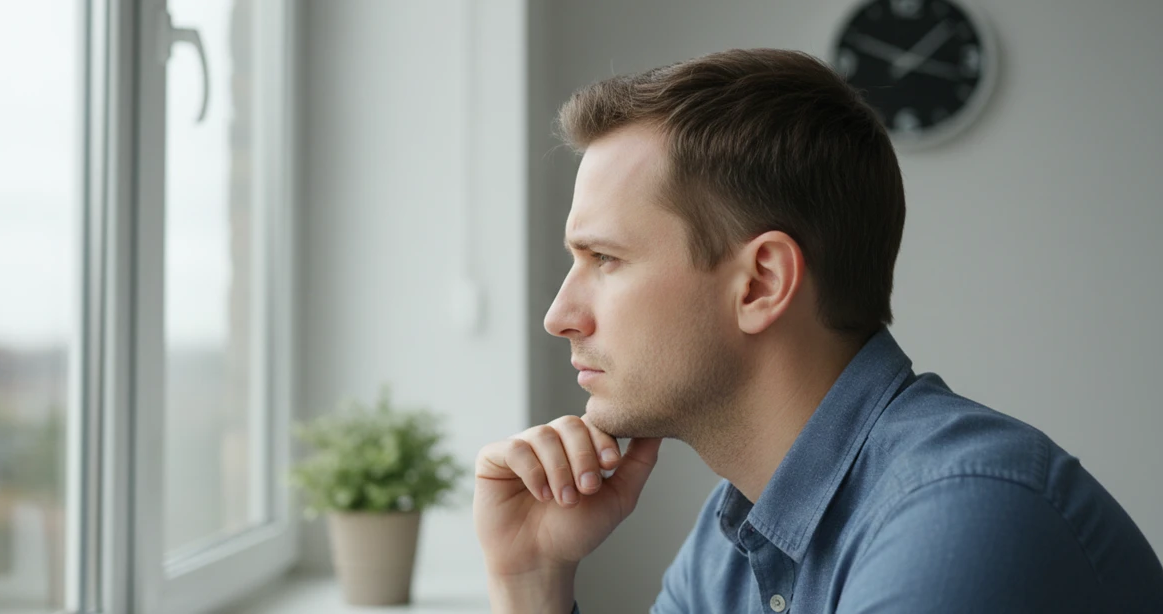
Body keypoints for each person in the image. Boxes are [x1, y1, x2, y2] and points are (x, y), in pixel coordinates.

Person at [472, 48, 1163, 613]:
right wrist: (531, 581)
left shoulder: (964, 517)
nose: (558, 315)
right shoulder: (734, 539)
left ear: (762, 283)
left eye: (605, 259)